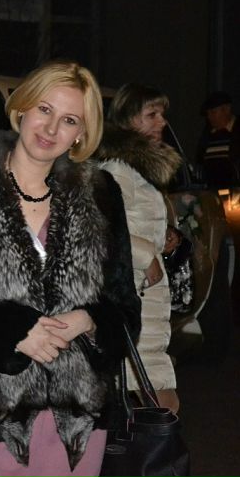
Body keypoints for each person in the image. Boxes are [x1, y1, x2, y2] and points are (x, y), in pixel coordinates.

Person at [0, 61, 141, 477]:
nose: (50, 129)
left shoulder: (100, 193)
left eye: (69, 120)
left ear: (81, 133)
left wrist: (88, 320)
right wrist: (12, 331)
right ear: (22, 107)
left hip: (79, 422)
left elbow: (125, 308)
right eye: (44, 109)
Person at [96, 82, 182, 413]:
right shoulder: (117, 170)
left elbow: (131, 222)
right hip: (132, 298)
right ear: (128, 119)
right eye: (152, 114)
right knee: (159, 406)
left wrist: (164, 236)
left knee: (156, 404)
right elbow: (100, 230)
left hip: (146, 299)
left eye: (162, 114)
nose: (162, 122)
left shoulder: (137, 169)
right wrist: (147, 255)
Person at [196, 91, 240, 188]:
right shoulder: (207, 134)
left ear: (227, 109)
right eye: (208, 114)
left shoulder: (237, 131)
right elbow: (200, 163)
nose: (209, 117)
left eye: (213, 112)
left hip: (235, 192)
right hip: (212, 192)